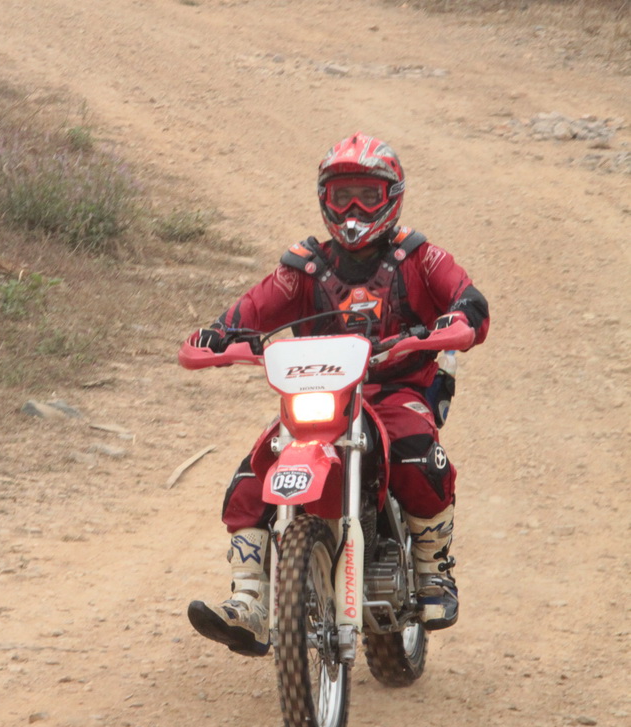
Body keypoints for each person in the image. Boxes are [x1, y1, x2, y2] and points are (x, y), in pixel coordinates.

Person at [186, 132, 490, 657]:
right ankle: (249, 600)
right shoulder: (304, 266)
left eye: (368, 196)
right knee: (252, 474)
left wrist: (456, 319)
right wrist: (218, 334)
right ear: (324, 198)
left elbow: (469, 300)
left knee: (418, 454)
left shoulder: (419, 256)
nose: (353, 209)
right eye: (342, 194)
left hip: (396, 387)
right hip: (320, 390)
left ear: (391, 197)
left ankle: (434, 569)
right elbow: (248, 312)